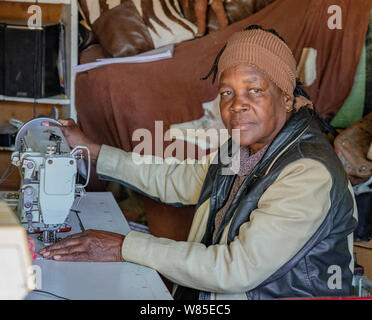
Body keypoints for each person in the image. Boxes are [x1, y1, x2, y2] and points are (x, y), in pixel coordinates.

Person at [40, 25, 357, 299]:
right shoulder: (243, 149)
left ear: (286, 97)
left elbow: (236, 269)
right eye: (227, 93)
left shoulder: (307, 171)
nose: (237, 106)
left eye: (254, 91)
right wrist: (93, 150)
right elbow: (177, 179)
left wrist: (123, 247)